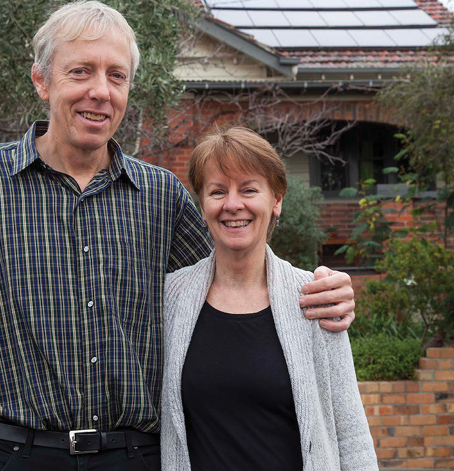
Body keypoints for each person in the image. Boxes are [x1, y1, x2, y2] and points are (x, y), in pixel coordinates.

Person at [0, 1, 357, 471]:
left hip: (136, 458)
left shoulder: (161, 197)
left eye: (116, 75)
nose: (100, 91)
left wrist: (313, 292)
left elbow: (233, 287)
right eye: (81, 71)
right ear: (41, 80)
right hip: (16, 456)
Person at [161, 126, 379, 471]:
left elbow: (350, 433)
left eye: (249, 189)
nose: (233, 205)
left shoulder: (315, 297)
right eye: (217, 192)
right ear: (202, 205)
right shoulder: (170, 299)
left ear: (276, 200)